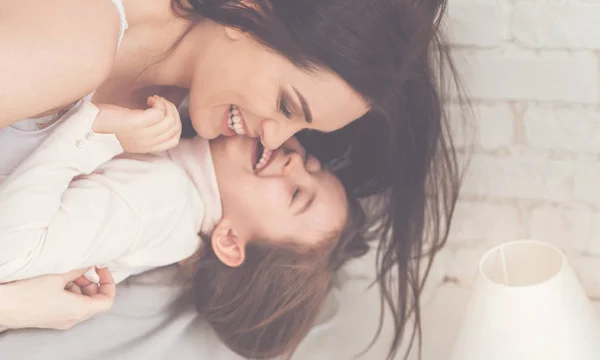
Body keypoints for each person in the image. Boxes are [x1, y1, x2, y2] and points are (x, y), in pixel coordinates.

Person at [0, 0, 467, 358]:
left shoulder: (172, 93)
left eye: (301, 129)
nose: (278, 139)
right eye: (286, 106)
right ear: (249, 14)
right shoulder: (73, 45)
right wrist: (18, 309)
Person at [0, 97, 369, 358]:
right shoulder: (172, 178)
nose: (294, 162)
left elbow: (9, 252)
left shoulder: (161, 199)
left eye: (295, 195)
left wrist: (91, 133)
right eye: (313, 164)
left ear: (228, 241)